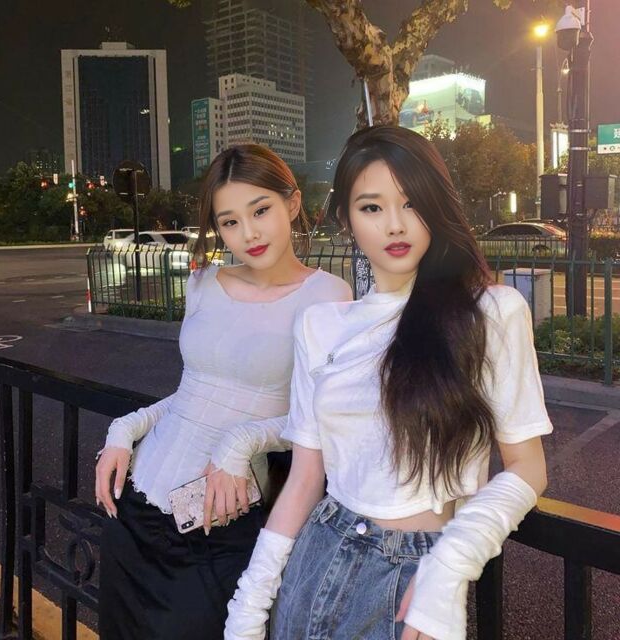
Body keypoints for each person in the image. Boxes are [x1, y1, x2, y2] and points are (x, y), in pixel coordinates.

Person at [224, 125, 553, 640]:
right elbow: (306, 477)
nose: (395, 225)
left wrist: (451, 564)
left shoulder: (490, 313)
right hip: (316, 558)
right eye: (372, 207)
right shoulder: (320, 325)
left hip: (414, 583)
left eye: (411, 203)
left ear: (436, 206)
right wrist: (250, 601)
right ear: (346, 219)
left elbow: (528, 466)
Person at [94, 144, 352, 640]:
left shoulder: (329, 296)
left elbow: (321, 422)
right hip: (134, 511)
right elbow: (193, 394)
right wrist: (125, 429)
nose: (248, 233)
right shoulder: (204, 284)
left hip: (221, 525)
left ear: (292, 204)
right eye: (230, 221)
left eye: (261, 211)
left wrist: (242, 442)